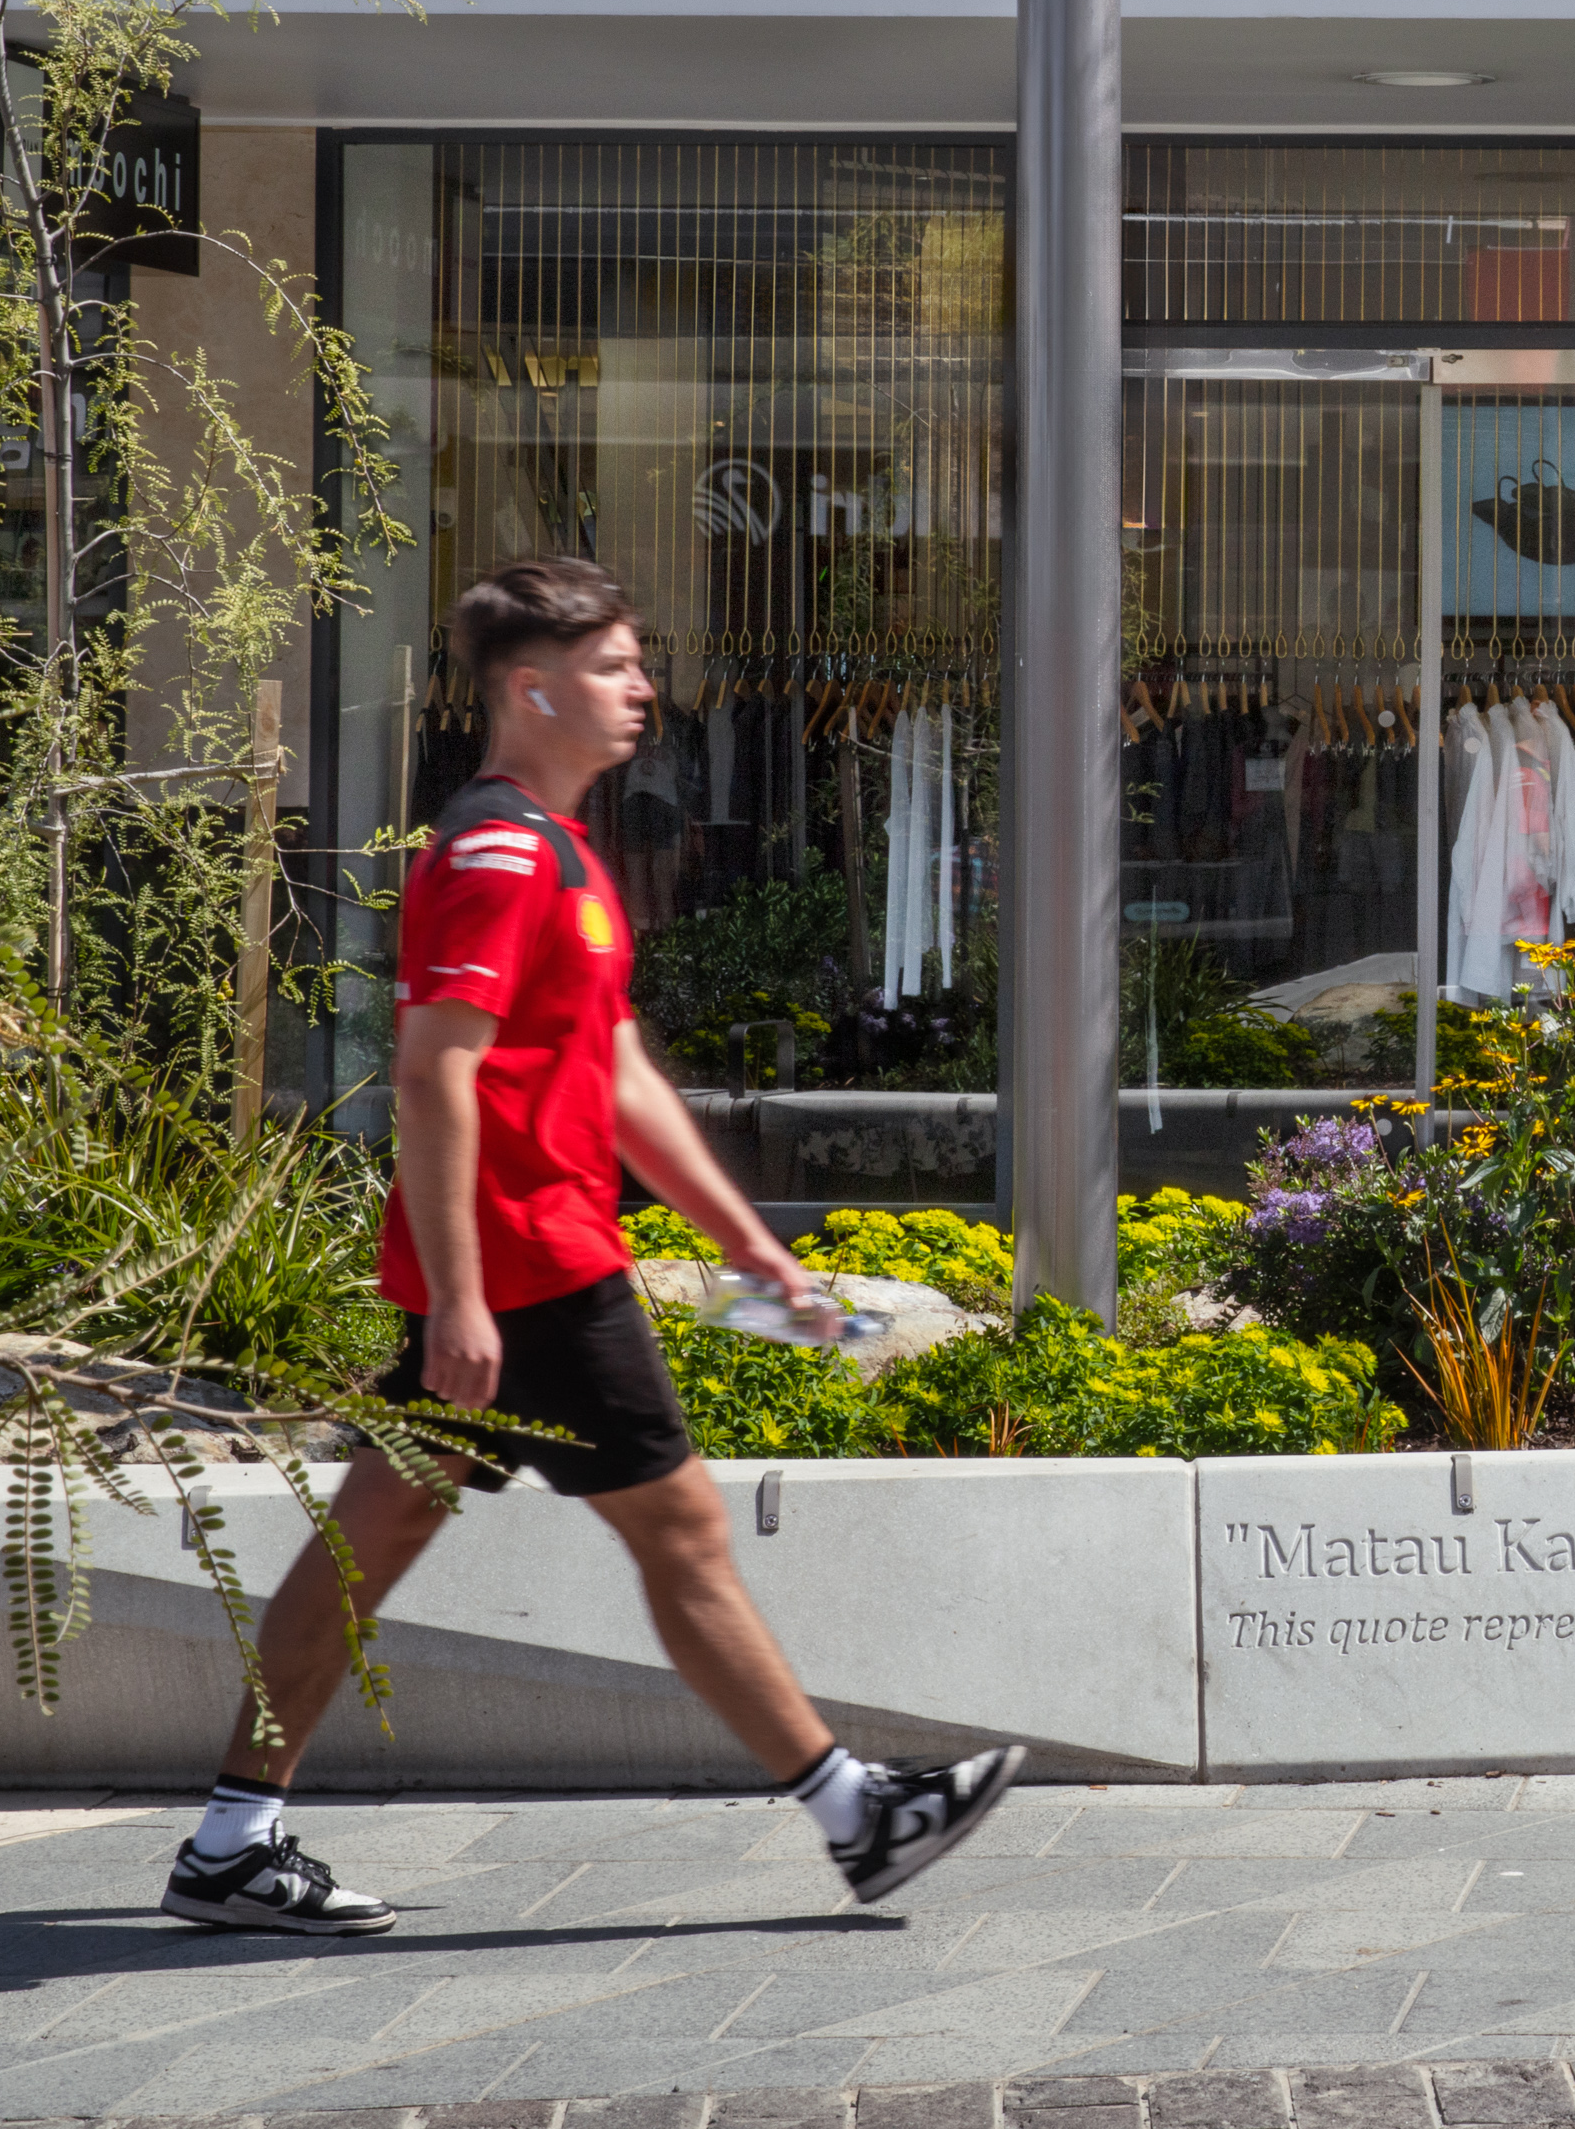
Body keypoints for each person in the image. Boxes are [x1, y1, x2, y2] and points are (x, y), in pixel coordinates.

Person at [162, 557, 1020, 1935]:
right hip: (526, 1266)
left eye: (638, 662)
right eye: (618, 665)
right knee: (679, 1530)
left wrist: (750, 1248)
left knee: (373, 1536)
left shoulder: (560, 851)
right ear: (533, 686)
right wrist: (459, 1296)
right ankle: (859, 1814)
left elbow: (616, 1071)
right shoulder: (501, 854)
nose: (644, 688)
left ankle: (231, 1840)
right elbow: (437, 1074)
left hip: (522, 1261)